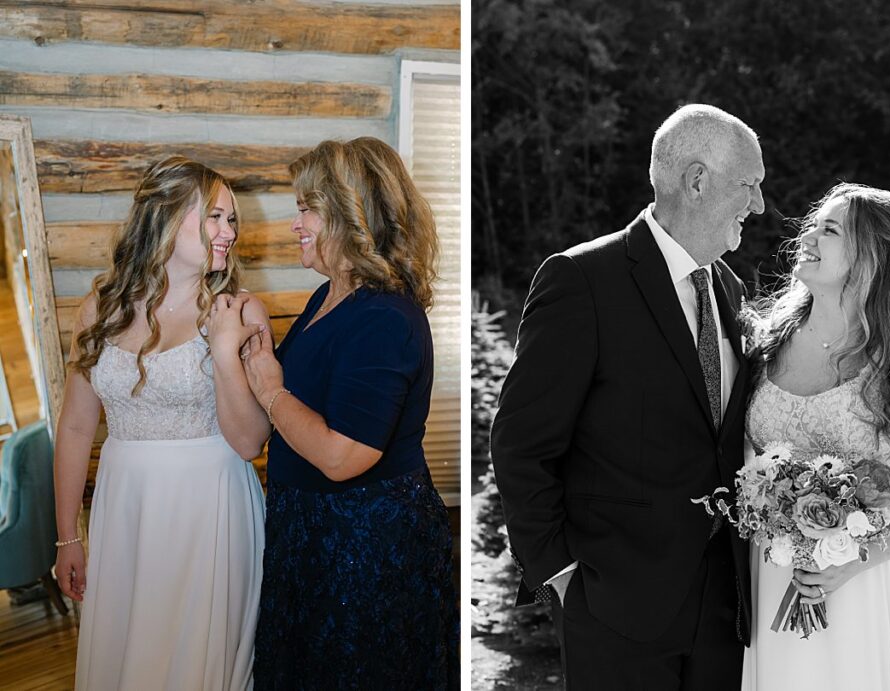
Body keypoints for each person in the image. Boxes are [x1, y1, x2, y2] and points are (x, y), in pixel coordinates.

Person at [490, 104, 766, 689]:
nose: (760, 205)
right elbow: (520, 444)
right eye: (750, 185)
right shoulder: (583, 280)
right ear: (697, 180)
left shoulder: (733, 288)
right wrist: (563, 579)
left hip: (727, 610)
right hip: (614, 610)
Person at [234, 138, 458, 689]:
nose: (296, 224)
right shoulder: (329, 296)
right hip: (311, 533)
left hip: (366, 546)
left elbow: (341, 456)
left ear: (352, 215)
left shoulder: (386, 317)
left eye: (308, 208)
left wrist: (270, 391)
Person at [741, 183, 890, 690]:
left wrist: (853, 560)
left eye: (829, 229)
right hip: (775, 580)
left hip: (876, 583)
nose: (807, 234)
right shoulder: (765, 339)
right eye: (814, 223)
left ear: (870, 257)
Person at [53, 157, 269, 690]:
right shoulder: (97, 312)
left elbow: (251, 442)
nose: (228, 232)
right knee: (131, 653)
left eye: (233, 220)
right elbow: (78, 428)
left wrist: (222, 351)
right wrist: (66, 538)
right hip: (126, 505)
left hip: (209, 505)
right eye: (215, 217)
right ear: (168, 216)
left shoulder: (240, 312)